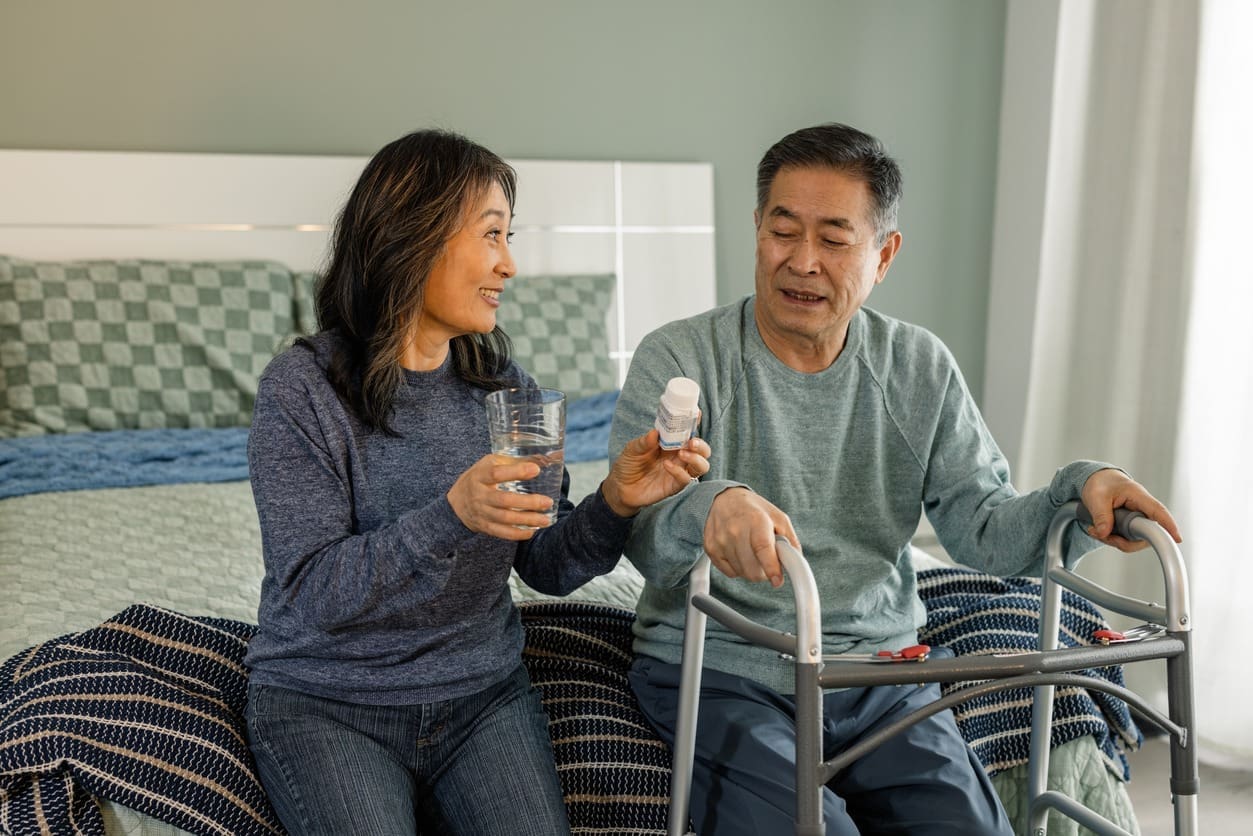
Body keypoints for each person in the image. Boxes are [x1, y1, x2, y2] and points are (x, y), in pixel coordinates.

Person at [608, 122, 1182, 835]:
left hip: (880, 673)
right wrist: (709, 505)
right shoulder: (682, 358)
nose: (803, 262)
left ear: (883, 254)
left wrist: (1080, 489)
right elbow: (640, 533)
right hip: (725, 672)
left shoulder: (917, 366)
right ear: (756, 229)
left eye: (834, 239)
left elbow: (986, 533)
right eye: (782, 231)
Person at [242, 129, 711, 836]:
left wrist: (616, 500)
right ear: (413, 235)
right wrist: (450, 515)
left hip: (481, 697)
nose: (510, 265)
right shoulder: (301, 390)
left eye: (509, 237)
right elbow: (310, 592)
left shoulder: (507, 394)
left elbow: (544, 566)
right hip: (327, 703)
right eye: (492, 235)